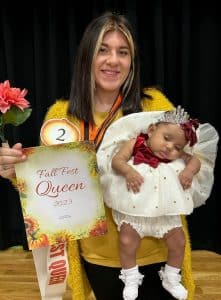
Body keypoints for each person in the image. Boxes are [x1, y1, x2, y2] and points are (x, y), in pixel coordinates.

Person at [0, 11, 205, 300]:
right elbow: (48, 190)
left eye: (123, 52)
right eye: (103, 50)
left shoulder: (153, 106)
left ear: (131, 62)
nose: (113, 60)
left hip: (157, 251)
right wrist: (15, 173)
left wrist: (188, 168)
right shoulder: (62, 116)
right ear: (87, 57)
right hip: (97, 254)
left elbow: (190, 155)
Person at [98, 107, 203, 300]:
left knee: (179, 242)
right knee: (127, 241)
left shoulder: (177, 155)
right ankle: (130, 277)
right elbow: (117, 160)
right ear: (152, 129)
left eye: (178, 147)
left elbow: (195, 161)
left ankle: (171, 277)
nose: (170, 147)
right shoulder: (135, 143)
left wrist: (189, 171)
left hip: (165, 213)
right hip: (135, 208)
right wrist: (128, 172)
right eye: (166, 138)